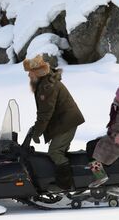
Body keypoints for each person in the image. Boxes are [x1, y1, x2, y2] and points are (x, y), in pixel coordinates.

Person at [24, 54, 85, 190]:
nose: (29, 76)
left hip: (66, 122)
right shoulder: (45, 83)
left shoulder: (46, 87)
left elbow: (45, 113)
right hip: (64, 121)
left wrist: (37, 132)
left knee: (55, 152)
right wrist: (36, 128)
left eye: (30, 73)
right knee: (59, 152)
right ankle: (69, 179)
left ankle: (65, 185)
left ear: (38, 73)